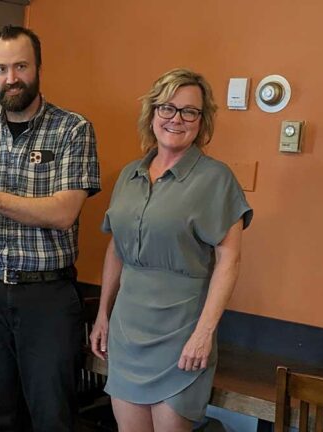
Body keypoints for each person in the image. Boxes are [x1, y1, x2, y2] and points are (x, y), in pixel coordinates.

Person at [0, 25, 101, 432]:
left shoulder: (73, 129)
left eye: (20, 66)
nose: (11, 78)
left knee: (52, 417)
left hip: (47, 296)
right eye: (1, 69)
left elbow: (64, 212)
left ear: (38, 68)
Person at [89, 68, 254, 431]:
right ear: (152, 113)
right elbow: (116, 248)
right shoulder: (129, 175)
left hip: (183, 335)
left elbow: (229, 260)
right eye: (167, 108)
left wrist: (204, 334)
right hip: (127, 331)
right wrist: (103, 314)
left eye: (189, 111)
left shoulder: (217, 179)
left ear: (202, 121)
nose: (176, 119)